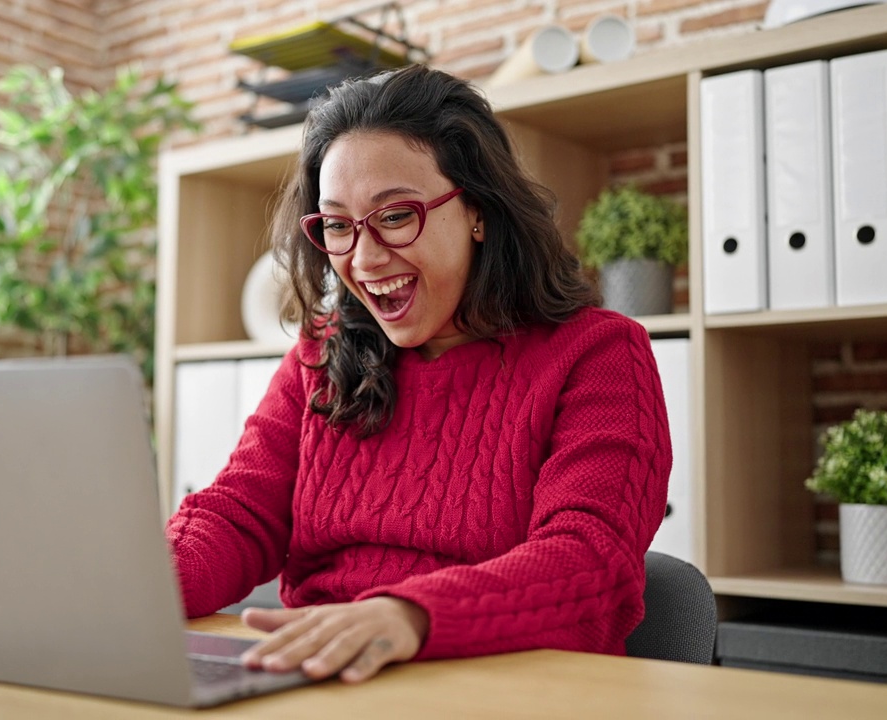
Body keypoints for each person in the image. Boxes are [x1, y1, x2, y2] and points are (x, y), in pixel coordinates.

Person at [165, 64, 671, 684]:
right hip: (334, 683)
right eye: (338, 225)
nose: (365, 258)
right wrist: (136, 582)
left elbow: (590, 563)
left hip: (515, 689)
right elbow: (238, 515)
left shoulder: (599, 355)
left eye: (397, 215)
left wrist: (409, 616)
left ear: (479, 211)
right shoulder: (321, 354)